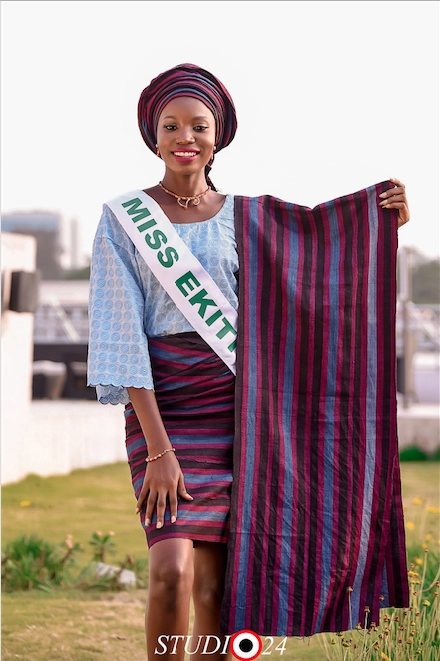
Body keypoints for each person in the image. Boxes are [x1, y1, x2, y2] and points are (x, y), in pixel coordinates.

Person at [87, 63, 410, 660]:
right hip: (166, 409)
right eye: (171, 126)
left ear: (218, 137)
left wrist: (382, 219)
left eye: (199, 126)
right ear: (153, 136)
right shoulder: (123, 219)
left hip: (243, 411)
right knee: (171, 572)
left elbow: (321, 254)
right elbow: (121, 335)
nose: (186, 137)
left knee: (222, 585)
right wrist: (159, 451)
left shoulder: (248, 216)